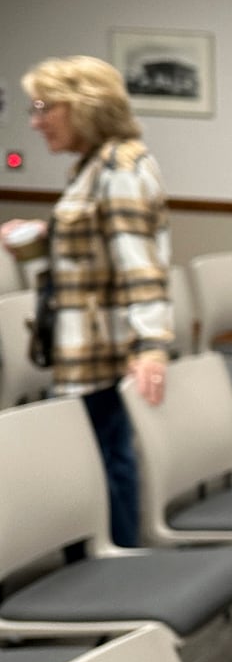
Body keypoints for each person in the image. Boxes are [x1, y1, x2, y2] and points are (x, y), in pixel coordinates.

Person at [3, 56, 172, 548]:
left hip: (105, 352)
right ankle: (111, 568)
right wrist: (36, 235)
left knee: (102, 469)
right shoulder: (92, 167)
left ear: (82, 106)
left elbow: (140, 264)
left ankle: (114, 576)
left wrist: (151, 346)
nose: (34, 123)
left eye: (42, 108)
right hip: (83, 349)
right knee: (98, 463)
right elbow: (90, 244)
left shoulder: (121, 169)